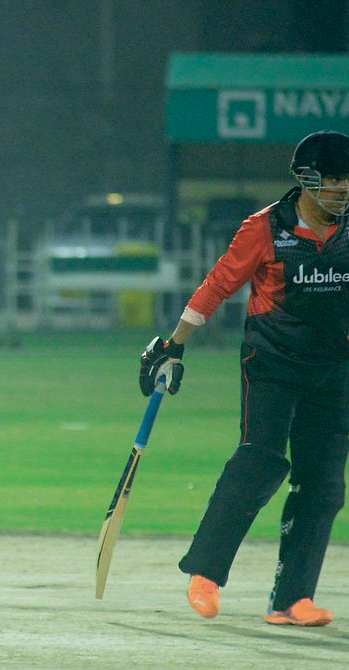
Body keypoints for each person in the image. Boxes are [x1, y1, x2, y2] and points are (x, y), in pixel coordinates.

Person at [139, 130, 349, 627]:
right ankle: (206, 573)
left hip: (334, 370)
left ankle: (291, 599)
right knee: (259, 461)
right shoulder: (264, 227)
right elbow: (217, 286)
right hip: (273, 363)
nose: (343, 189)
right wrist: (174, 345)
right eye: (334, 179)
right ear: (307, 180)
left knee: (322, 485)